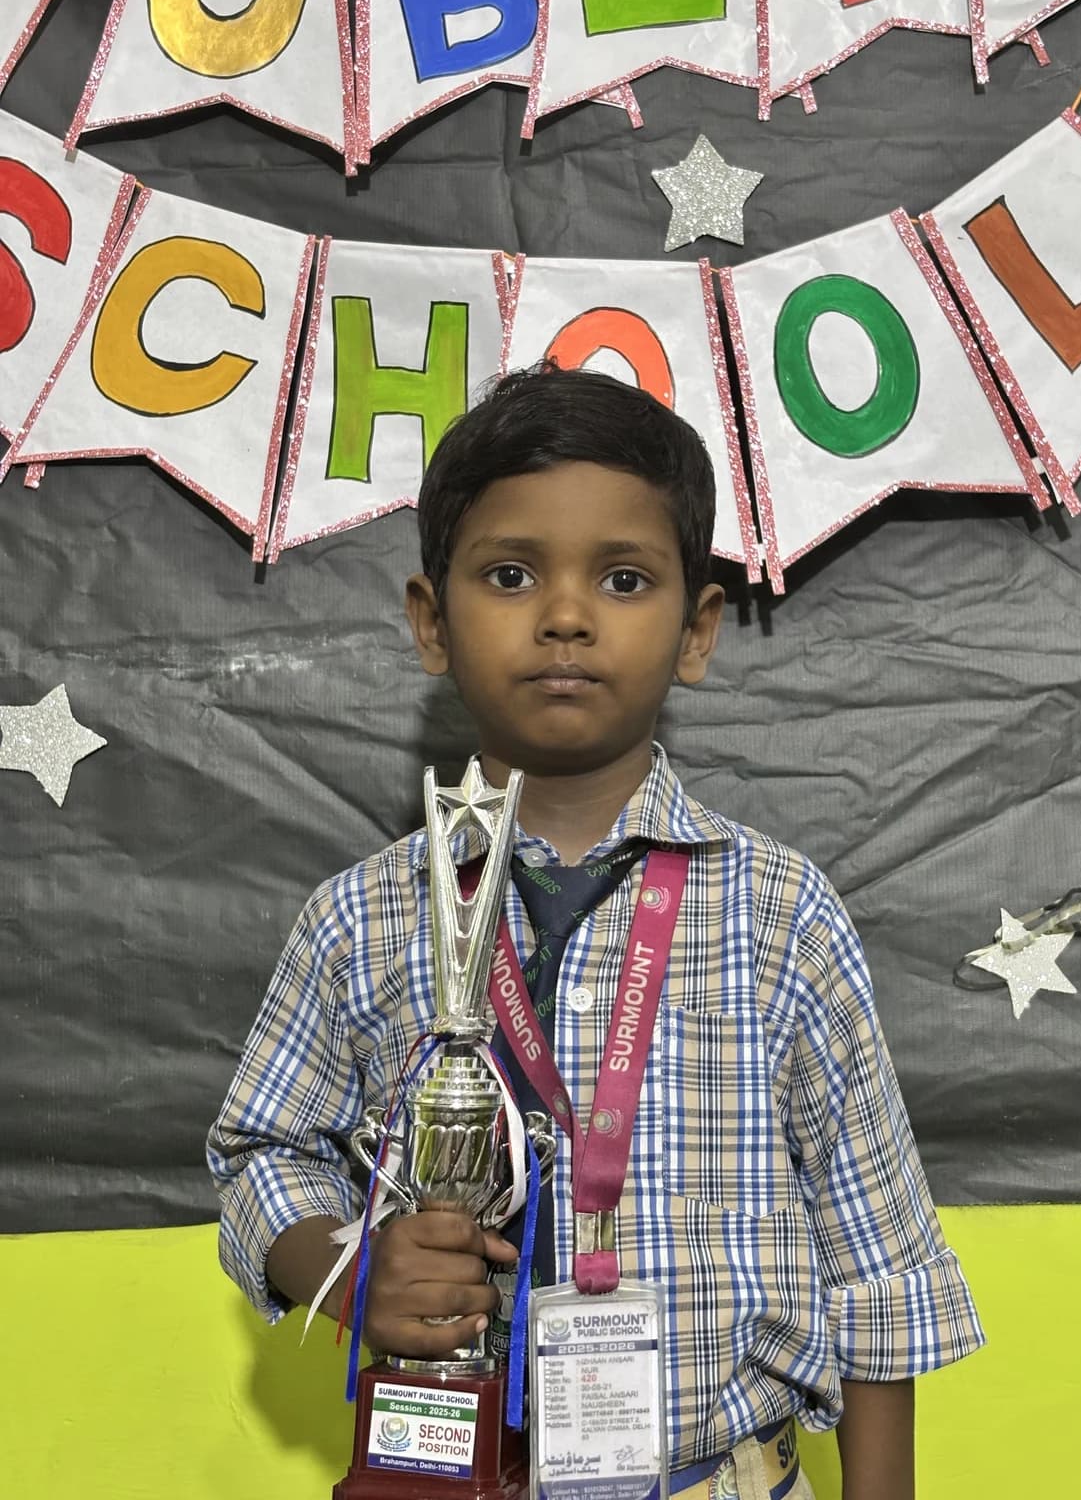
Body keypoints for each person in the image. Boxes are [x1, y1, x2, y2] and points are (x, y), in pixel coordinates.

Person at [208, 364, 984, 1500]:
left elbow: (881, 1272)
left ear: (697, 628)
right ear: (432, 621)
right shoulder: (359, 918)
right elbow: (259, 1156)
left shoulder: (780, 915)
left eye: (623, 578)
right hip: (452, 1476)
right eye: (511, 573)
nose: (565, 614)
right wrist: (351, 1266)